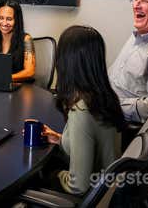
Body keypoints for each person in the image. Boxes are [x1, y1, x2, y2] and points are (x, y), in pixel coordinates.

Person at [39, 26, 125, 195]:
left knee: (32, 178)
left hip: (93, 195)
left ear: (66, 61)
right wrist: (61, 139)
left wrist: (54, 176)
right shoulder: (103, 95)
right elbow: (93, 140)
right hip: (108, 188)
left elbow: (78, 186)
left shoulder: (81, 110)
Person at [0, 0, 35, 82]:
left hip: (18, 88)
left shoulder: (26, 39)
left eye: (9, 19)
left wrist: (4, 78)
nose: (4, 23)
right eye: (1, 18)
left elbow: (30, 72)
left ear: (17, 20)